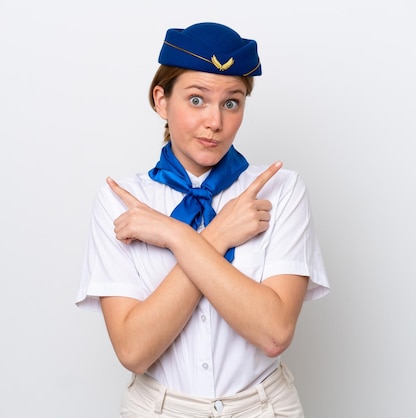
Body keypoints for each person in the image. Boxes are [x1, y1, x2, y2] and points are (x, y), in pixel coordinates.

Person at [76, 21, 330, 417]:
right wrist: (218, 235)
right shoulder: (123, 204)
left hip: (262, 407)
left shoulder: (281, 191)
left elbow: (274, 332)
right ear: (161, 100)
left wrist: (174, 234)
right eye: (197, 99)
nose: (215, 121)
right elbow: (134, 350)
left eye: (232, 102)